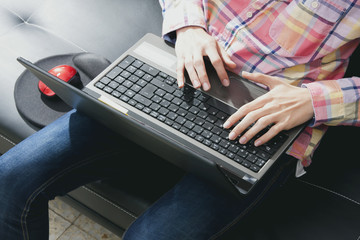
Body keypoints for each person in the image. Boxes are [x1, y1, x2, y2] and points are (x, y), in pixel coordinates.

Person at [0, 0, 359, 239]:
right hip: (175, 72)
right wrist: (189, 27)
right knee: (11, 177)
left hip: (268, 119)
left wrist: (312, 101)